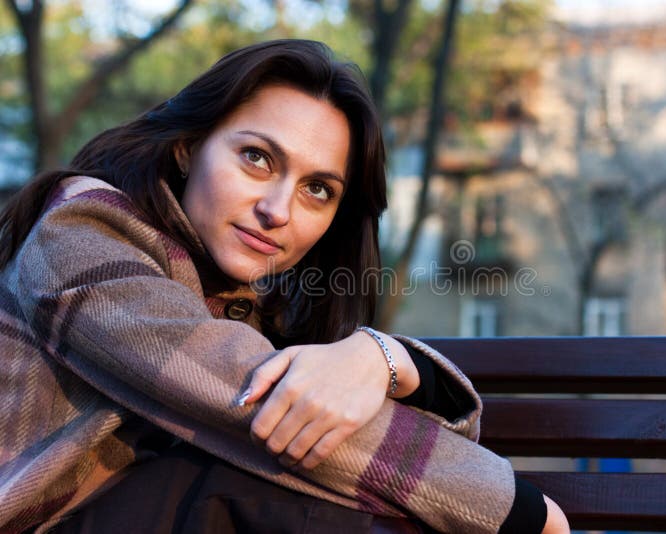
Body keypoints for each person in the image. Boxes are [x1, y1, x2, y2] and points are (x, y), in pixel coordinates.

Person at [0, 40, 569, 533]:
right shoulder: (81, 236)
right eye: (257, 158)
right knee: (256, 483)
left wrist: (382, 358)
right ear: (188, 147)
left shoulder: (243, 305)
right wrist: (519, 511)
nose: (277, 210)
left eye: (317, 190)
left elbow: (444, 433)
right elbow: (253, 403)